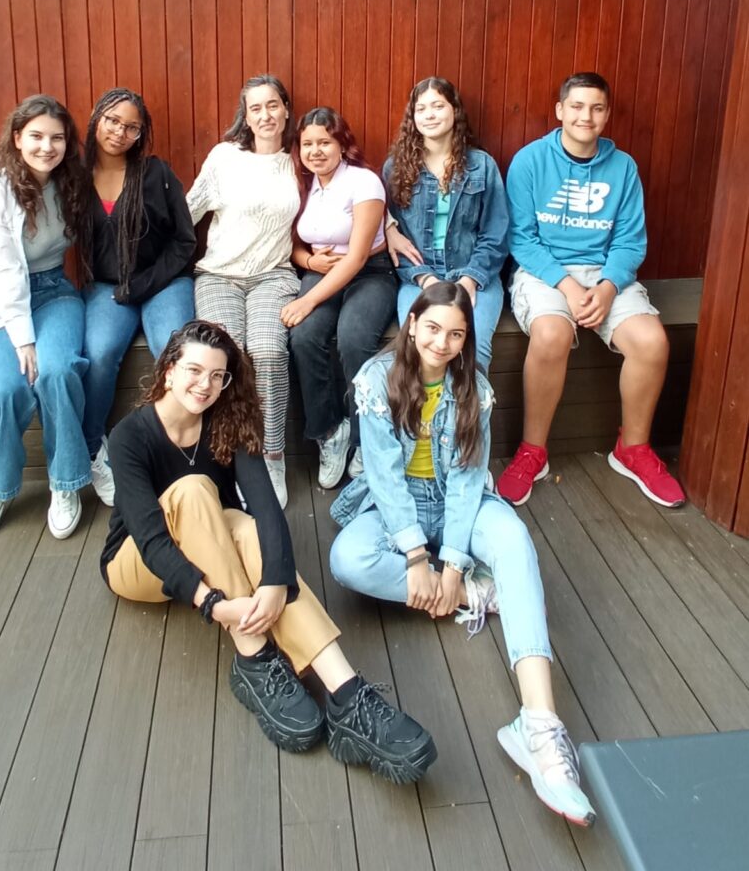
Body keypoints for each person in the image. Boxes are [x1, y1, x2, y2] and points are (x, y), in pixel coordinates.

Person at [101, 319, 437, 783]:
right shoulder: (130, 436)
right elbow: (151, 540)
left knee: (243, 523)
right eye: (194, 371)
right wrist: (213, 604)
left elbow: (266, 509)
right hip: (139, 566)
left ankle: (348, 694)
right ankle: (254, 656)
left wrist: (276, 583)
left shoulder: (228, 419)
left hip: (209, 545)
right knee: (194, 490)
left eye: (218, 376)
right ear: (170, 370)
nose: (205, 386)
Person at [329, 282, 595, 825]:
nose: (442, 342)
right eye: (432, 328)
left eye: (455, 334)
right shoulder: (377, 380)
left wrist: (449, 562)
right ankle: (481, 594)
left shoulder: (474, 386)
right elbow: (383, 477)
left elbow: (470, 479)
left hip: (458, 501)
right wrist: (417, 558)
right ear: (412, 325)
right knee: (346, 559)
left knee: (514, 541)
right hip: (397, 503)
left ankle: (539, 726)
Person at [496, 72, 685, 508]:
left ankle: (632, 449)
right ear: (560, 110)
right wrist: (565, 285)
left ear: (607, 114)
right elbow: (521, 238)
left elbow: (630, 242)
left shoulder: (623, 167)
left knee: (652, 342)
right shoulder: (530, 161)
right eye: (577, 106)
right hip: (544, 272)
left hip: (605, 273)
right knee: (551, 333)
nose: (586, 116)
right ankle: (532, 452)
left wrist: (607, 287)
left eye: (597, 108)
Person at [0, 95, 91, 538]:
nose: (46, 147)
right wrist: (23, 338)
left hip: (53, 292)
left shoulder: (71, 183)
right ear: (17, 139)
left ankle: (65, 482)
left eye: (57, 138)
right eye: (36, 136)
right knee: (6, 386)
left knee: (58, 372)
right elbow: (5, 271)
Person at [186, 74, 301, 507]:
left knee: (268, 351)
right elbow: (187, 211)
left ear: (285, 109)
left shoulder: (300, 159)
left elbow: (348, 190)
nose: (265, 114)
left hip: (274, 275)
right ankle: (233, 452)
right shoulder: (224, 158)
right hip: (219, 275)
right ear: (246, 116)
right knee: (226, 353)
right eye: (256, 108)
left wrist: (388, 226)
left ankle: (271, 454)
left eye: (272, 105)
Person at [78, 88, 196, 507]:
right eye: (112, 121)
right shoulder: (74, 176)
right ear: (96, 119)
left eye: (131, 127)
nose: (119, 132)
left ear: (141, 134)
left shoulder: (155, 173)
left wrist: (143, 285)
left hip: (163, 281)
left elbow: (184, 241)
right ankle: (93, 447)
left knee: (176, 352)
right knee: (99, 352)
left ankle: (177, 446)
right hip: (107, 288)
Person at [282, 107, 397, 488]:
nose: (315, 151)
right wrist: (309, 261)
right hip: (320, 271)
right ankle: (330, 431)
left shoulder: (364, 182)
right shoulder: (303, 184)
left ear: (342, 145)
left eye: (325, 143)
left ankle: (366, 438)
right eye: (307, 144)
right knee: (304, 337)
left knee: (354, 338)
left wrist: (308, 300)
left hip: (370, 273)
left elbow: (358, 256)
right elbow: (292, 244)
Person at [383, 77, 509, 371]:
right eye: (421, 108)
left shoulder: (482, 166)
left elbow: (496, 234)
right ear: (413, 117)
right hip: (419, 278)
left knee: (473, 353)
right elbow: (393, 236)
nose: (429, 115)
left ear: (455, 111)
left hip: (475, 275)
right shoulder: (396, 167)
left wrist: (470, 280)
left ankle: (469, 405)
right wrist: (425, 279)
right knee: (419, 352)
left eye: (438, 106)